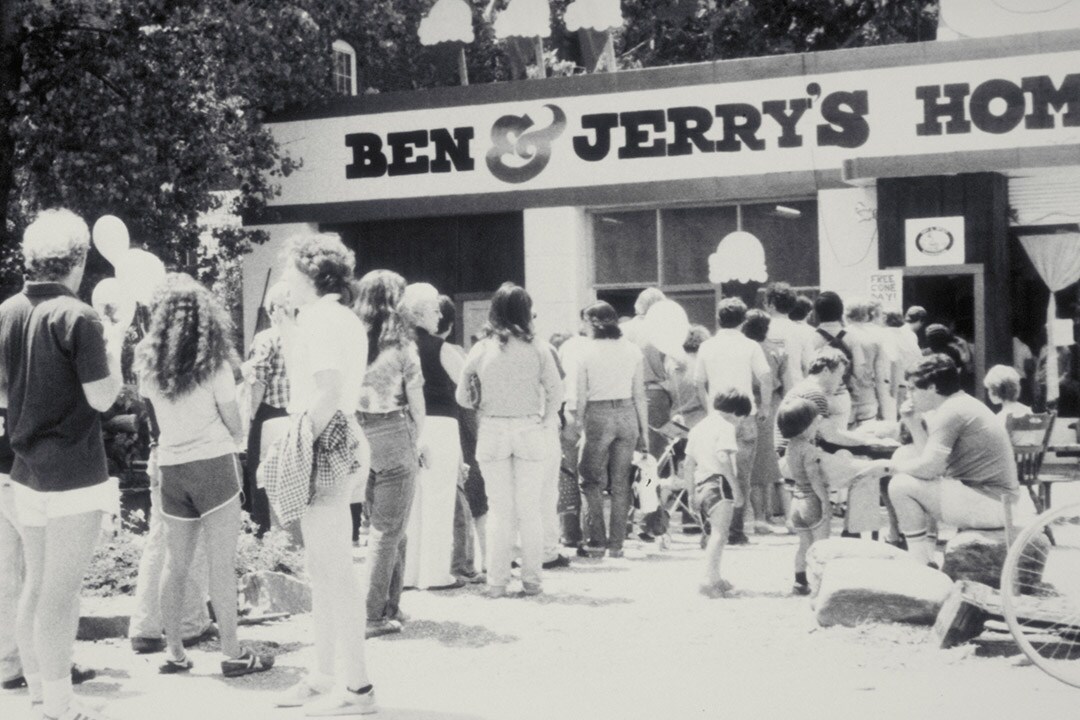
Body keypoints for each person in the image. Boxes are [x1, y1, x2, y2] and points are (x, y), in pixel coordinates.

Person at [0, 209, 123, 720]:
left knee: (36, 586)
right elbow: (103, 398)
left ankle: (38, 693)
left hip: (25, 469)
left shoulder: (7, 310)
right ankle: (59, 704)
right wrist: (114, 345)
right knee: (59, 593)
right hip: (74, 473)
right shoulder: (80, 317)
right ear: (78, 259)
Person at [135, 274, 273, 678]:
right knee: (220, 564)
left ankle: (174, 652)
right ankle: (232, 654)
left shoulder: (148, 365)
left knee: (174, 565)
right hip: (213, 465)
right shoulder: (213, 364)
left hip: (172, 467)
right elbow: (235, 425)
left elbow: (153, 422)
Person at [274, 232, 376, 714]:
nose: (284, 279)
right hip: (340, 435)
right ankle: (327, 675)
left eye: (290, 270)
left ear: (311, 273)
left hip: (325, 437)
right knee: (325, 567)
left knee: (332, 569)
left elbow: (326, 392)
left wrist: (295, 445)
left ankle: (357, 686)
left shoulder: (321, 320)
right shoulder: (333, 317)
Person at [853, 354, 1022, 567]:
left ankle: (920, 563)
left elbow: (930, 469)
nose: (909, 395)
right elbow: (928, 461)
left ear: (932, 387)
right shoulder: (960, 404)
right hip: (999, 501)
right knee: (907, 456)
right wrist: (913, 423)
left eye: (913, 388)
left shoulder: (950, 412)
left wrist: (887, 467)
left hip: (991, 505)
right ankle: (928, 554)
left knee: (900, 485)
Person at [456, 283, 563, 597]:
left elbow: (462, 397)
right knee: (530, 510)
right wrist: (544, 420)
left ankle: (497, 582)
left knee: (499, 510)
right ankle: (532, 580)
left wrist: (482, 400)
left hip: (492, 429)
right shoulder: (539, 348)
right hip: (529, 428)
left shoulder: (481, 348)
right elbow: (556, 393)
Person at [355, 270, 426, 637]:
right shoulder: (401, 345)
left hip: (357, 432)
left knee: (384, 525)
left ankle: (389, 604)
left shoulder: (352, 340)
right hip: (393, 430)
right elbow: (416, 399)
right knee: (388, 528)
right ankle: (372, 614)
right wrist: (419, 439)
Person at [569, 301, 648, 559]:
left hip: (598, 413)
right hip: (627, 414)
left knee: (590, 481)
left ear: (592, 323)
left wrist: (577, 423)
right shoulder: (633, 350)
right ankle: (617, 544)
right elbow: (639, 394)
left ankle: (596, 541)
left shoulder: (585, 352)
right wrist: (643, 431)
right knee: (621, 483)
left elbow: (580, 396)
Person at [401, 283, 466, 590]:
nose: (440, 315)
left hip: (407, 423)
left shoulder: (398, 344)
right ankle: (436, 573)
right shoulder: (441, 348)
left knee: (412, 502)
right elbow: (468, 388)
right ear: (422, 312)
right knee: (439, 497)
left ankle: (410, 573)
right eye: (436, 309)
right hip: (440, 423)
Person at [694, 297, 772, 545]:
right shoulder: (750, 346)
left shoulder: (707, 346)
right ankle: (736, 531)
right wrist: (766, 406)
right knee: (741, 476)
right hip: (744, 415)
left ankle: (712, 528)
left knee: (710, 471)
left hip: (717, 414)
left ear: (718, 319)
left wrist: (709, 407)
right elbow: (766, 377)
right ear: (743, 320)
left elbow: (698, 382)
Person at [685, 389, 750, 598]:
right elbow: (723, 458)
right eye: (742, 420)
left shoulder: (698, 428)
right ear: (736, 414)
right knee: (720, 535)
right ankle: (708, 580)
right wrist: (736, 488)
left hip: (701, 484)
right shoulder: (726, 427)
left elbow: (688, 464)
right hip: (719, 483)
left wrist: (690, 493)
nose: (740, 425)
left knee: (713, 534)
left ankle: (716, 577)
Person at [241, 281, 292, 536]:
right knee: (292, 476)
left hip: (269, 414)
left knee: (259, 474)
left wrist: (251, 416)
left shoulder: (266, 338)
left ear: (272, 311)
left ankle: (262, 532)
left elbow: (258, 379)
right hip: (298, 414)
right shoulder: (307, 337)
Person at [741, 310, 792, 531]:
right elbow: (788, 385)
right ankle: (779, 514)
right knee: (774, 461)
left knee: (755, 465)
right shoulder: (778, 350)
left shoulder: (745, 349)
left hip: (751, 404)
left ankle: (761, 516)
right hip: (775, 405)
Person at [777, 398, 831, 596]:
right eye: (815, 422)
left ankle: (800, 582)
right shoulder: (809, 450)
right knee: (821, 546)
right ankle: (820, 585)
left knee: (804, 545)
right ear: (805, 425)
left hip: (796, 501)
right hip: (811, 501)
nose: (818, 424)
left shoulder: (790, 447)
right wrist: (825, 500)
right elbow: (814, 478)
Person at [842, 298, 890, 427]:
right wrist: (885, 409)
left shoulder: (841, 336)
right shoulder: (876, 337)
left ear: (846, 316)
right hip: (868, 397)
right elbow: (880, 377)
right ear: (866, 315)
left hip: (845, 398)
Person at [763, 282, 807, 383]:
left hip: (770, 390)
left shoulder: (762, 330)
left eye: (765, 302)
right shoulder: (802, 331)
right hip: (796, 390)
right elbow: (808, 366)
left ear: (772, 305)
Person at [788, 294, 818, 375]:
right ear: (809, 313)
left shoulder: (783, 328)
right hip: (801, 379)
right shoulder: (812, 332)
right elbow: (809, 363)